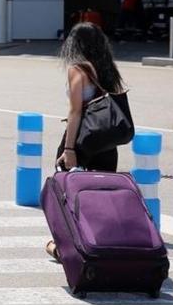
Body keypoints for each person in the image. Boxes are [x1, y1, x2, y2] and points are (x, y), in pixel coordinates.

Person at [46, 22, 126, 261]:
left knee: (67, 193)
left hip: (82, 142)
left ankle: (70, 245)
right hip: (106, 144)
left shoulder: (78, 69)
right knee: (101, 196)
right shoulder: (108, 69)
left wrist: (69, 148)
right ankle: (102, 242)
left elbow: (75, 112)